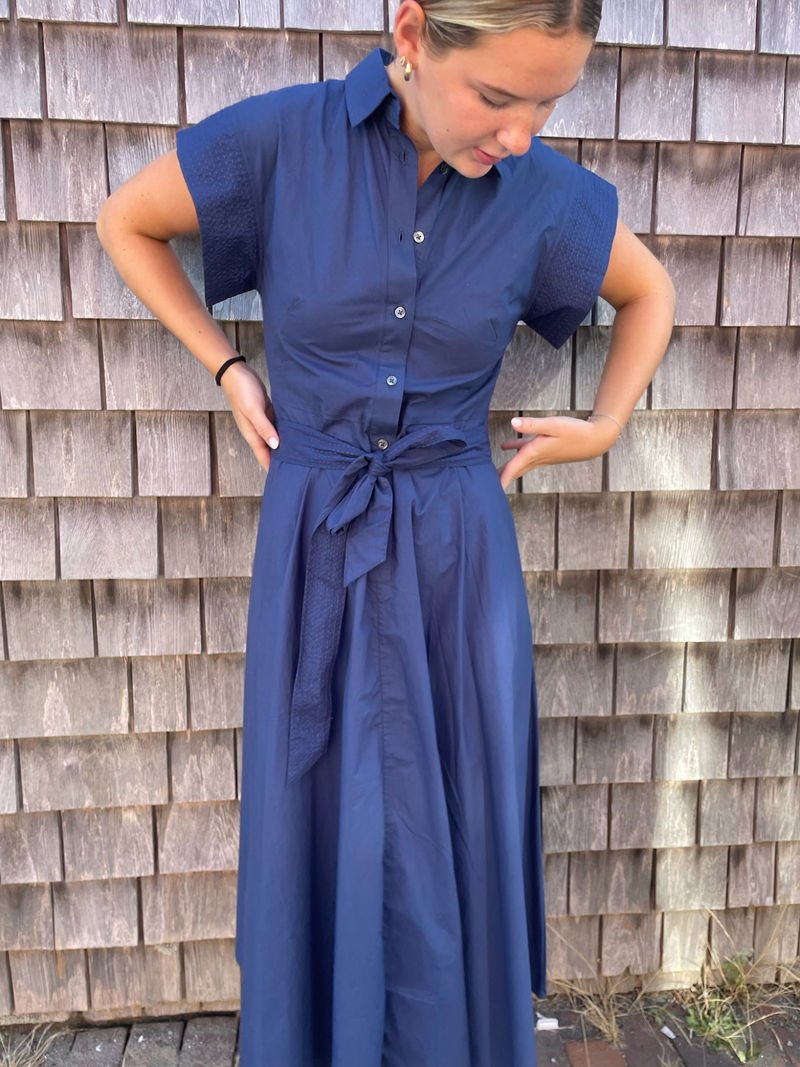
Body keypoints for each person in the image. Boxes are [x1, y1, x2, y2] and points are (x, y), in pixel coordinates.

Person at [96, 0, 675, 1063]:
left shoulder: (538, 193)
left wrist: (602, 425)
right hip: (314, 533)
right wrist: (228, 368)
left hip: (457, 549)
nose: (520, 135)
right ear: (411, 35)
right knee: (321, 795)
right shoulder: (281, 143)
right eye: (496, 97)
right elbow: (125, 222)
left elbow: (649, 292)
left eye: (548, 104)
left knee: (446, 804)